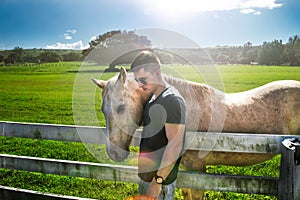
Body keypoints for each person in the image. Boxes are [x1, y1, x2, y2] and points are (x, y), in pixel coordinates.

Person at [130, 51, 186, 200]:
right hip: (146, 178)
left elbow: (175, 145)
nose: (140, 85)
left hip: (160, 183)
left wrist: (157, 182)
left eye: (143, 79)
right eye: (137, 80)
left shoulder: (172, 100)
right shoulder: (153, 97)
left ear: (157, 72)